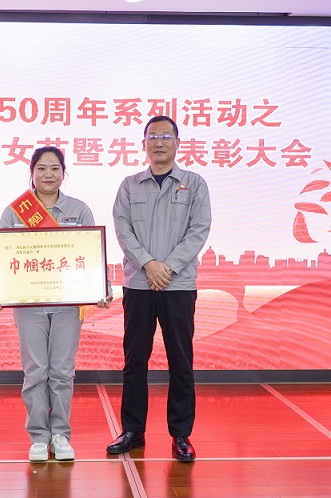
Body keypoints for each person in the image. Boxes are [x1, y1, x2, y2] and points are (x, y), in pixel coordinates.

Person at [0, 146, 112, 462]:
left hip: (68, 305)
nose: (48, 174)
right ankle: (39, 437)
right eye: (41, 168)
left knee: (61, 371)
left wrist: (103, 288)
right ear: (31, 172)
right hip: (29, 305)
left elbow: (92, 255)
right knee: (35, 371)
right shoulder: (15, 211)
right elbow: (0, 256)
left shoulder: (79, 210)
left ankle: (60, 435)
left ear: (63, 173)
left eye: (55, 168)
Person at [106, 116, 211, 462]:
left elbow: (199, 229)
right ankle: (133, 430)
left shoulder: (194, 184)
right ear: (144, 144)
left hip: (178, 285)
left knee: (181, 360)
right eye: (153, 136)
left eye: (166, 136)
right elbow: (122, 230)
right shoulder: (129, 185)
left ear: (178, 143)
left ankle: (181, 434)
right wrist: (149, 265)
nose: (159, 142)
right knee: (135, 360)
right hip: (139, 284)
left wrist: (168, 267)